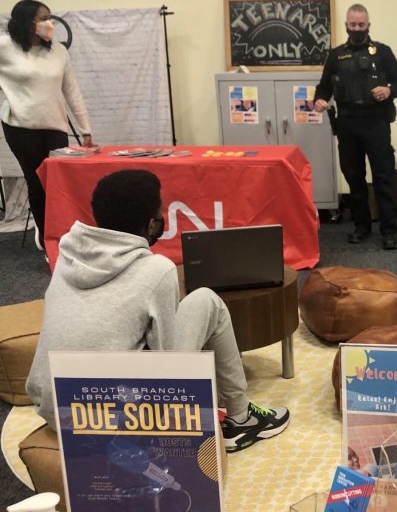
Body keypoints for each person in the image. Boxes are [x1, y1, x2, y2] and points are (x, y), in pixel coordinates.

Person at [25, 169, 290, 453]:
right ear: (152, 224)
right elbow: (169, 361)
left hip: (55, 410)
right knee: (206, 300)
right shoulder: (157, 269)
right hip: (120, 421)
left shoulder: (68, 255)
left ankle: (237, 414)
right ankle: (241, 417)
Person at [0, 0, 94, 249]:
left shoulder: (58, 52)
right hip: (19, 127)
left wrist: (86, 130)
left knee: (57, 182)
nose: (48, 23)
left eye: (49, 17)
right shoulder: (5, 47)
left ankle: (59, 229)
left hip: (55, 127)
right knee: (37, 182)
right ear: (26, 22)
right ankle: (47, 236)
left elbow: (72, 91)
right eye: (43, 18)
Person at [314, 3, 397, 250]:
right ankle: (361, 226)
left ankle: (389, 231)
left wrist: (388, 90)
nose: (357, 28)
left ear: (368, 26)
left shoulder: (383, 52)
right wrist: (320, 100)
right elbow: (323, 87)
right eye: (353, 25)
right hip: (347, 124)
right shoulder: (335, 55)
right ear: (346, 25)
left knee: (383, 177)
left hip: (376, 122)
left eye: (361, 25)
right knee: (354, 178)